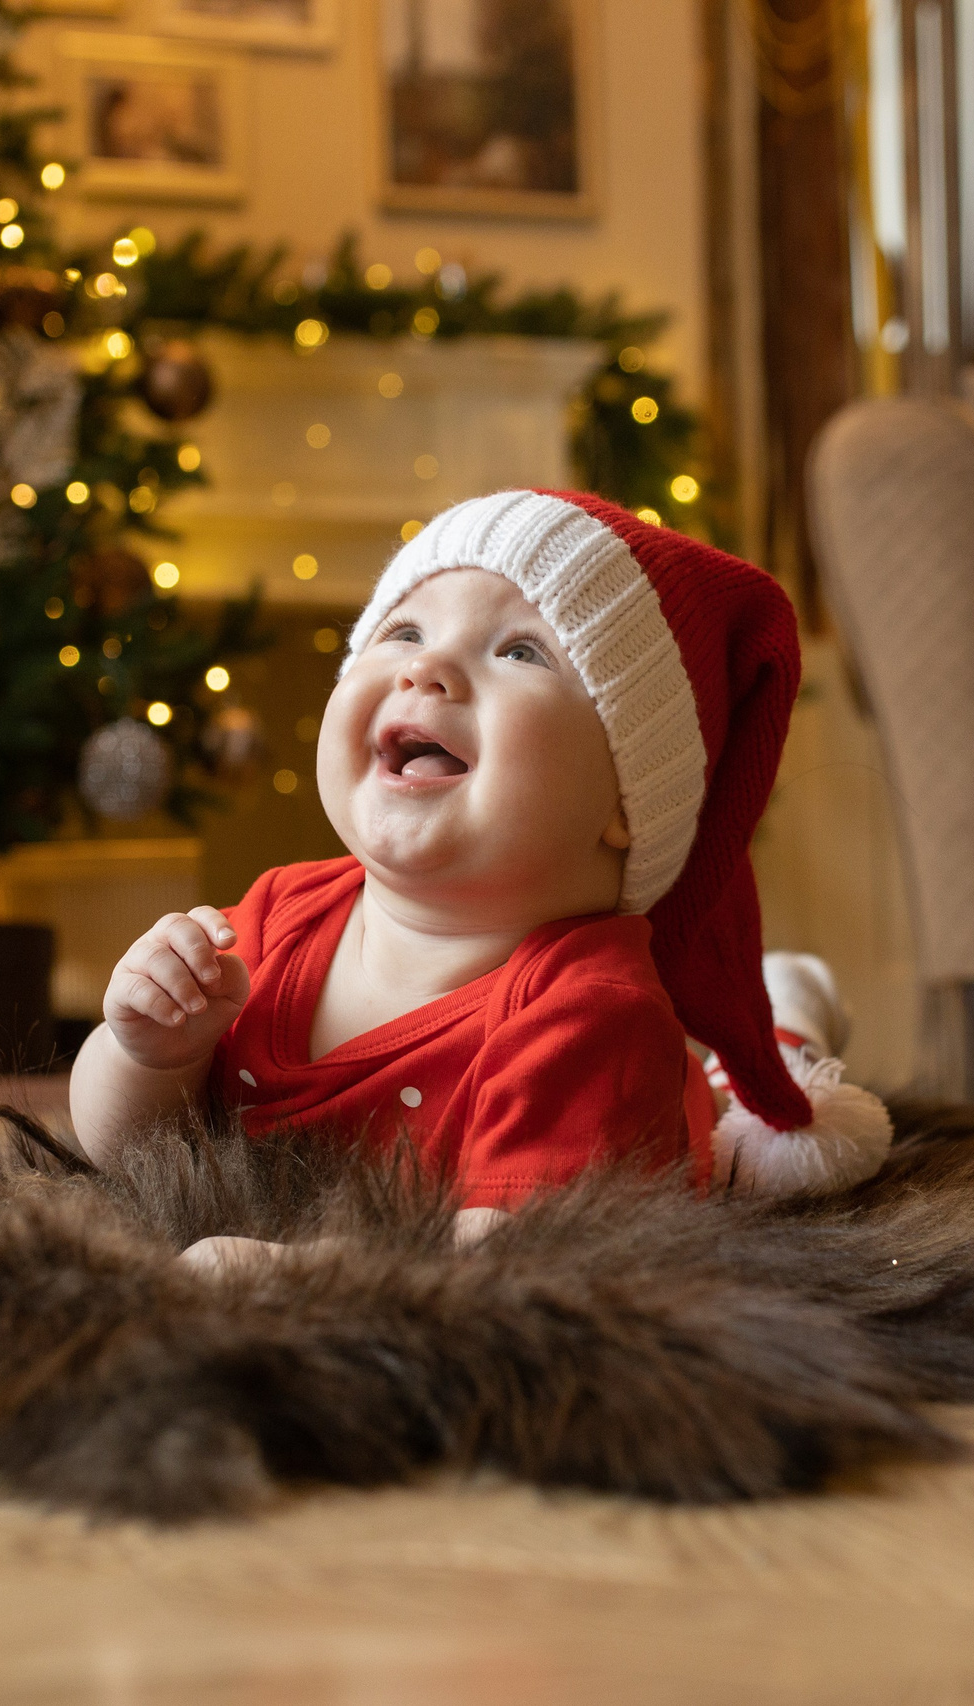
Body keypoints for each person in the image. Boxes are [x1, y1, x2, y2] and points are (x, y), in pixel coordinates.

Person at [66, 489, 889, 1266]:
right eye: (404, 632)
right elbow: (121, 1152)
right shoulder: (278, 913)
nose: (426, 670)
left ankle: (786, 1020)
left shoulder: (591, 1016)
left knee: (746, 1155)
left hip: (643, 1124)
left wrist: (303, 1276)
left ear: (626, 801)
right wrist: (149, 1053)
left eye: (520, 651)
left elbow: (516, 1264)